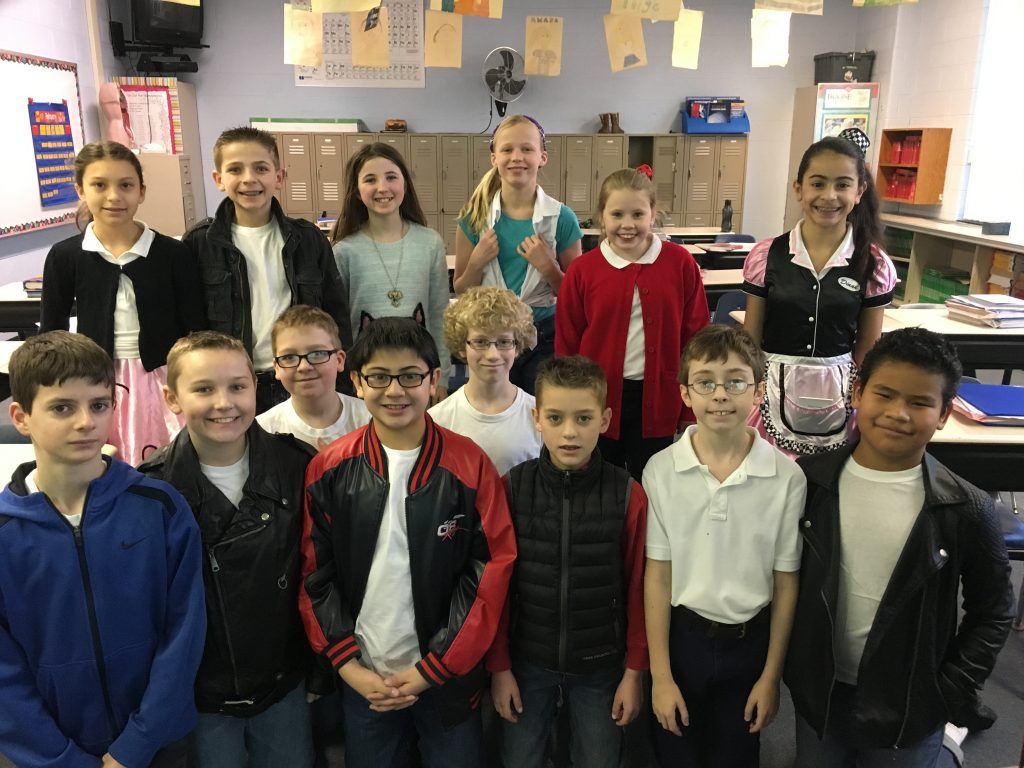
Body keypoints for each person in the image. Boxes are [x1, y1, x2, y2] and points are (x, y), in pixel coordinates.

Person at [786, 327, 1013, 767]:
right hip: (820, 697)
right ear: (857, 393)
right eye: (884, 394)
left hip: (911, 705)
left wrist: (950, 689)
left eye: (920, 402)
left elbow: (993, 611)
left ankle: (947, 745)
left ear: (945, 413)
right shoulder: (808, 483)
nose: (898, 413)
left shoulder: (964, 508)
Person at [299, 317, 516, 767]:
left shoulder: (470, 465)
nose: (394, 390)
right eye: (379, 376)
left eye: (410, 376)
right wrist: (348, 664)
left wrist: (434, 667)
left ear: (434, 381)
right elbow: (314, 574)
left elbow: (489, 572)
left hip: (446, 675)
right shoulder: (330, 468)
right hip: (365, 676)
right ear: (357, 381)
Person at [0, 331, 205, 767]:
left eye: (99, 405)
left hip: (156, 744)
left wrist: (136, 744)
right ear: (20, 416)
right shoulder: (5, 532)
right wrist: (59, 758)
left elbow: (184, 631)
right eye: (62, 407)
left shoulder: (160, 507)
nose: (85, 422)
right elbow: (3, 670)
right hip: (50, 752)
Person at [140, 331, 329, 766]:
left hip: (282, 677)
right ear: (172, 398)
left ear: (255, 389)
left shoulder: (297, 466)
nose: (224, 402)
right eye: (204, 389)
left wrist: (321, 668)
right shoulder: (152, 489)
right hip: (202, 689)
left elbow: (319, 575)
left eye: (237, 387)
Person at [643, 325, 804, 767]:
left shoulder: (787, 477)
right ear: (684, 393)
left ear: (757, 392)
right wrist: (660, 677)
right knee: (675, 752)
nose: (720, 395)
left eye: (735, 381)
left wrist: (771, 677)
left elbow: (785, 582)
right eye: (705, 382)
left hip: (749, 644)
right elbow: (658, 576)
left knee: (735, 755)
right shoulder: (660, 470)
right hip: (682, 641)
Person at [489, 355, 648, 768]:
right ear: (537, 418)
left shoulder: (627, 494)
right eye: (556, 418)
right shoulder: (512, 489)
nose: (569, 433)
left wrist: (634, 671)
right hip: (526, 663)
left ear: (605, 419)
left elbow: (637, 590)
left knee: (598, 759)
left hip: (600, 666)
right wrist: (500, 666)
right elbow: (497, 588)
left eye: (583, 418)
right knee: (519, 758)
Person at [40, 140, 206, 464]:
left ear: (141, 192)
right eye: (99, 185)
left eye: (126, 185)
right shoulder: (65, 256)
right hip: (95, 380)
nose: (114, 196)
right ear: (80, 189)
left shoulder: (172, 253)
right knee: (104, 462)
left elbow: (196, 327)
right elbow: (52, 332)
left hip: (163, 377)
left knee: (169, 461)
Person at [742, 134, 897, 456]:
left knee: (825, 491)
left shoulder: (873, 263)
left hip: (839, 395)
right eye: (818, 183)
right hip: (770, 391)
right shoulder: (766, 255)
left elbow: (867, 350)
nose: (829, 196)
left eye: (842, 185)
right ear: (798, 188)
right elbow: (751, 341)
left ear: (859, 192)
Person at [183, 126, 351, 414]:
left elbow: (335, 315)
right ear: (219, 179)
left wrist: (344, 381)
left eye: (261, 168)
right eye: (235, 169)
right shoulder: (200, 243)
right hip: (234, 383)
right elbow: (191, 326)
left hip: (300, 378)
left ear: (279, 177)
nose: (249, 179)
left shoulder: (308, 239)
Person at [556, 168, 709, 480]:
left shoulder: (679, 263)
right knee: (599, 481)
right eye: (617, 214)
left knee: (653, 482)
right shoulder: (583, 270)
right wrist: (571, 403)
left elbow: (696, 340)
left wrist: (690, 406)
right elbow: (568, 344)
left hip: (661, 399)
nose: (627, 225)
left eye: (638, 213)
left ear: (653, 214)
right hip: (596, 398)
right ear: (602, 217)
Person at [454, 114, 583, 393]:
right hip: (490, 335)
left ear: (542, 157)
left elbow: (577, 296)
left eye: (527, 149)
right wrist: (476, 262)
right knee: (490, 410)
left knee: (540, 414)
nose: (517, 157)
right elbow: (462, 288)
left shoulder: (561, 218)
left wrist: (548, 267)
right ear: (494, 158)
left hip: (544, 337)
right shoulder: (474, 217)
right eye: (507, 149)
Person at [330, 143, 453, 394]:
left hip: (418, 373)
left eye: (391, 177)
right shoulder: (344, 251)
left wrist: (442, 377)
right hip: (367, 377)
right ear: (356, 191)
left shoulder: (429, 243)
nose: (382, 188)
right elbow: (339, 325)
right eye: (370, 180)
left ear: (404, 184)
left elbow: (439, 314)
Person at [429, 286, 541, 475]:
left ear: (517, 345)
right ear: (461, 347)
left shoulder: (540, 416)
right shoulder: (437, 419)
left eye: (504, 342)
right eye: (480, 342)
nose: (492, 355)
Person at [257, 305, 370, 450]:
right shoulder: (263, 431)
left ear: (340, 360)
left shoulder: (370, 421)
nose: (304, 367)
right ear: (277, 367)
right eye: (289, 357)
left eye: (317, 354)